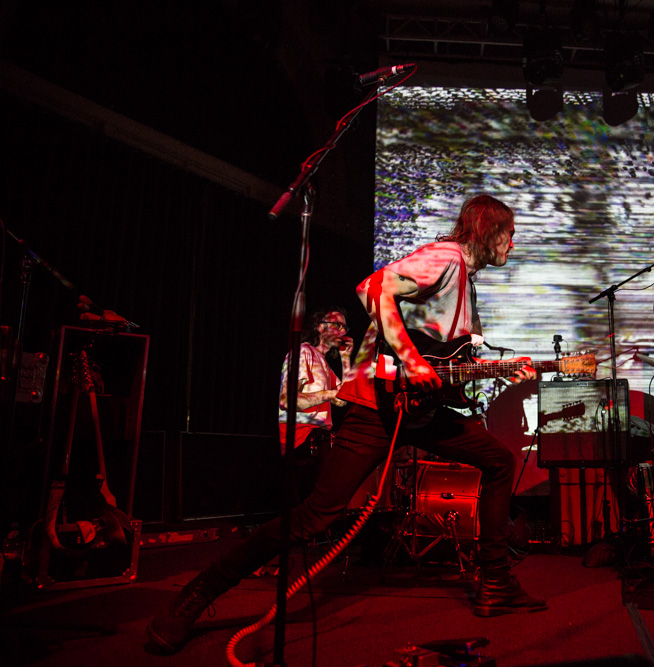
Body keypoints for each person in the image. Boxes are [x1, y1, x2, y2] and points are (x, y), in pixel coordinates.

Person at [147, 194, 545, 655]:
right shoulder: (447, 257)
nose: (513, 244)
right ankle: (195, 595)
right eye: (510, 234)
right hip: (379, 409)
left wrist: (498, 368)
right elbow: (373, 289)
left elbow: (446, 363)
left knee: (498, 461)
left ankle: (495, 584)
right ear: (489, 228)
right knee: (315, 516)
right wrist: (413, 362)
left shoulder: (466, 284)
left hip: (422, 412)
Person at [278, 307, 353, 491]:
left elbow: (344, 398)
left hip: (320, 440)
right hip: (302, 441)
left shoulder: (325, 365)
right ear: (320, 327)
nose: (343, 332)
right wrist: (328, 394)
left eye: (345, 328)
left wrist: (345, 360)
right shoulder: (304, 352)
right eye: (337, 325)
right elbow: (287, 400)